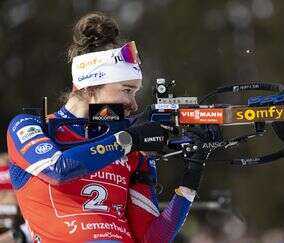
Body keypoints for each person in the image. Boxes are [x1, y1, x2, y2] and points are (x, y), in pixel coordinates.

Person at [6, 12, 218, 243]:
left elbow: (151, 238)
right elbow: (59, 169)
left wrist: (191, 177)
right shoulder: (30, 126)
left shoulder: (129, 147)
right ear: (90, 86)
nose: (134, 104)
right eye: (126, 90)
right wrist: (129, 140)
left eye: (135, 93)